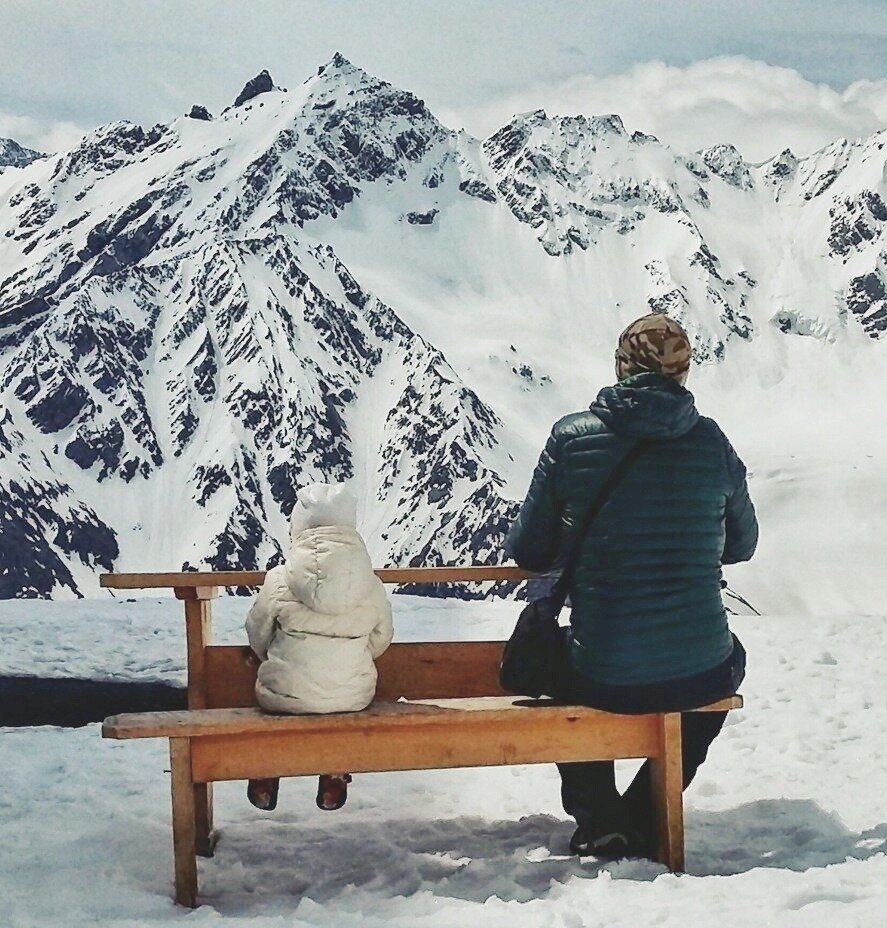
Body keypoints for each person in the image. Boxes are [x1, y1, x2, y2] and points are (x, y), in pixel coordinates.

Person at [506, 313, 758, 859]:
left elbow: (528, 549)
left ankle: (601, 818)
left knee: (556, 673)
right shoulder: (711, 441)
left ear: (622, 367)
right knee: (725, 666)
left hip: (604, 667)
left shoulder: (571, 439)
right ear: (683, 373)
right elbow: (742, 544)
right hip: (699, 664)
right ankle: (644, 811)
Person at [244, 483, 394, 812]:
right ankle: (334, 773)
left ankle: (267, 769)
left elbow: (257, 632)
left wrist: (277, 653)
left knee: (286, 695)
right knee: (334, 700)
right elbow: (381, 638)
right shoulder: (371, 584)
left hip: (283, 695)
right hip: (352, 696)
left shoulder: (279, 579)